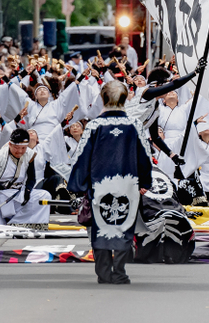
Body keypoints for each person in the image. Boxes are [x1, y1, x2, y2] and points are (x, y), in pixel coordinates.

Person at [67, 81, 153, 285]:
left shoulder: (95, 126)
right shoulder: (135, 125)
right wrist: (146, 181)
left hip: (100, 185)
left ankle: (104, 272)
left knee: (101, 226)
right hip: (128, 183)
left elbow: (81, 157)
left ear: (103, 98)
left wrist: (77, 184)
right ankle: (120, 271)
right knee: (124, 224)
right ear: (124, 99)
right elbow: (145, 156)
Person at [0, 129, 52, 229]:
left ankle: (24, 224)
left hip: (20, 191)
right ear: (10, 144)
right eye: (16, 147)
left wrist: (28, 190)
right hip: (1, 193)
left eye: (23, 148)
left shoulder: (29, 154)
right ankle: (14, 224)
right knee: (7, 203)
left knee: (45, 195)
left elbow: (32, 178)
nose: (19, 151)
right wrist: (2, 186)